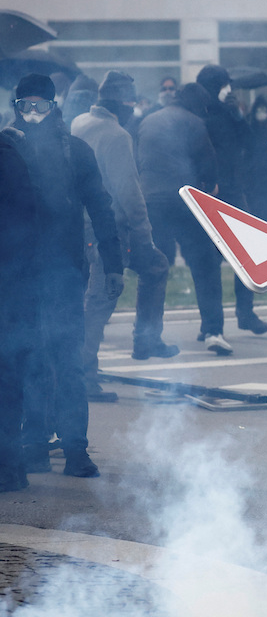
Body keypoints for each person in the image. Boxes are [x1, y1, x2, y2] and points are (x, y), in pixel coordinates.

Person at [9, 74, 125, 477]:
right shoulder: (9, 151)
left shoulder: (75, 151)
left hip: (61, 275)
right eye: (27, 106)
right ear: (16, 106)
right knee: (30, 360)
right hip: (19, 278)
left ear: (55, 108)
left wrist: (113, 263)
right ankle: (36, 444)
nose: (34, 113)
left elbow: (102, 208)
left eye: (41, 106)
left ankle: (75, 448)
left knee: (65, 360)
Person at [72, 71, 179, 403]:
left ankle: (143, 341)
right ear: (124, 103)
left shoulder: (79, 123)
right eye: (131, 102)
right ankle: (85, 375)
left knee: (151, 269)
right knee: (100, 299)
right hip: (108, 231)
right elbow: (129, 194)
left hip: (77, 223)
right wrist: (144, 237)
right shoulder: (116, 135)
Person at [138, 83, 231, 355]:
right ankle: (213, 329)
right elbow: (208, 165)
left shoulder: (148, 120)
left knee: (156, 269)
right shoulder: (195, 123)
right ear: (197, 104)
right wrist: (211, 185)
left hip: (152, 202)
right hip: (185, 201)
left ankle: (148, 334)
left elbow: (138, 161)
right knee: (205, 266)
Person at [196, 64, 267, 336]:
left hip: (210, 193)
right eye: (227, 84)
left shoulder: (203, 113)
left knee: (214, 262)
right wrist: (237, 116)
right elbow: (253, 146)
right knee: (240, 256)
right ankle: (240, 314)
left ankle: (215, 323)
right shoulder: (218, 114)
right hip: (225, 191)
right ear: (220, 86)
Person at [0, 130, 39, 491]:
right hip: (15, 288)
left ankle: (10, 468)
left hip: (10, 290)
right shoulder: (13, 156)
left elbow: (25, 223)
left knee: (7, 378)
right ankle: (12, 468)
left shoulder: (8, 158)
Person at [242, 95, 267, 221]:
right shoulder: (249, 128)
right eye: (258, 111)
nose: (261, 113)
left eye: (264, 110)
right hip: (253, 175)